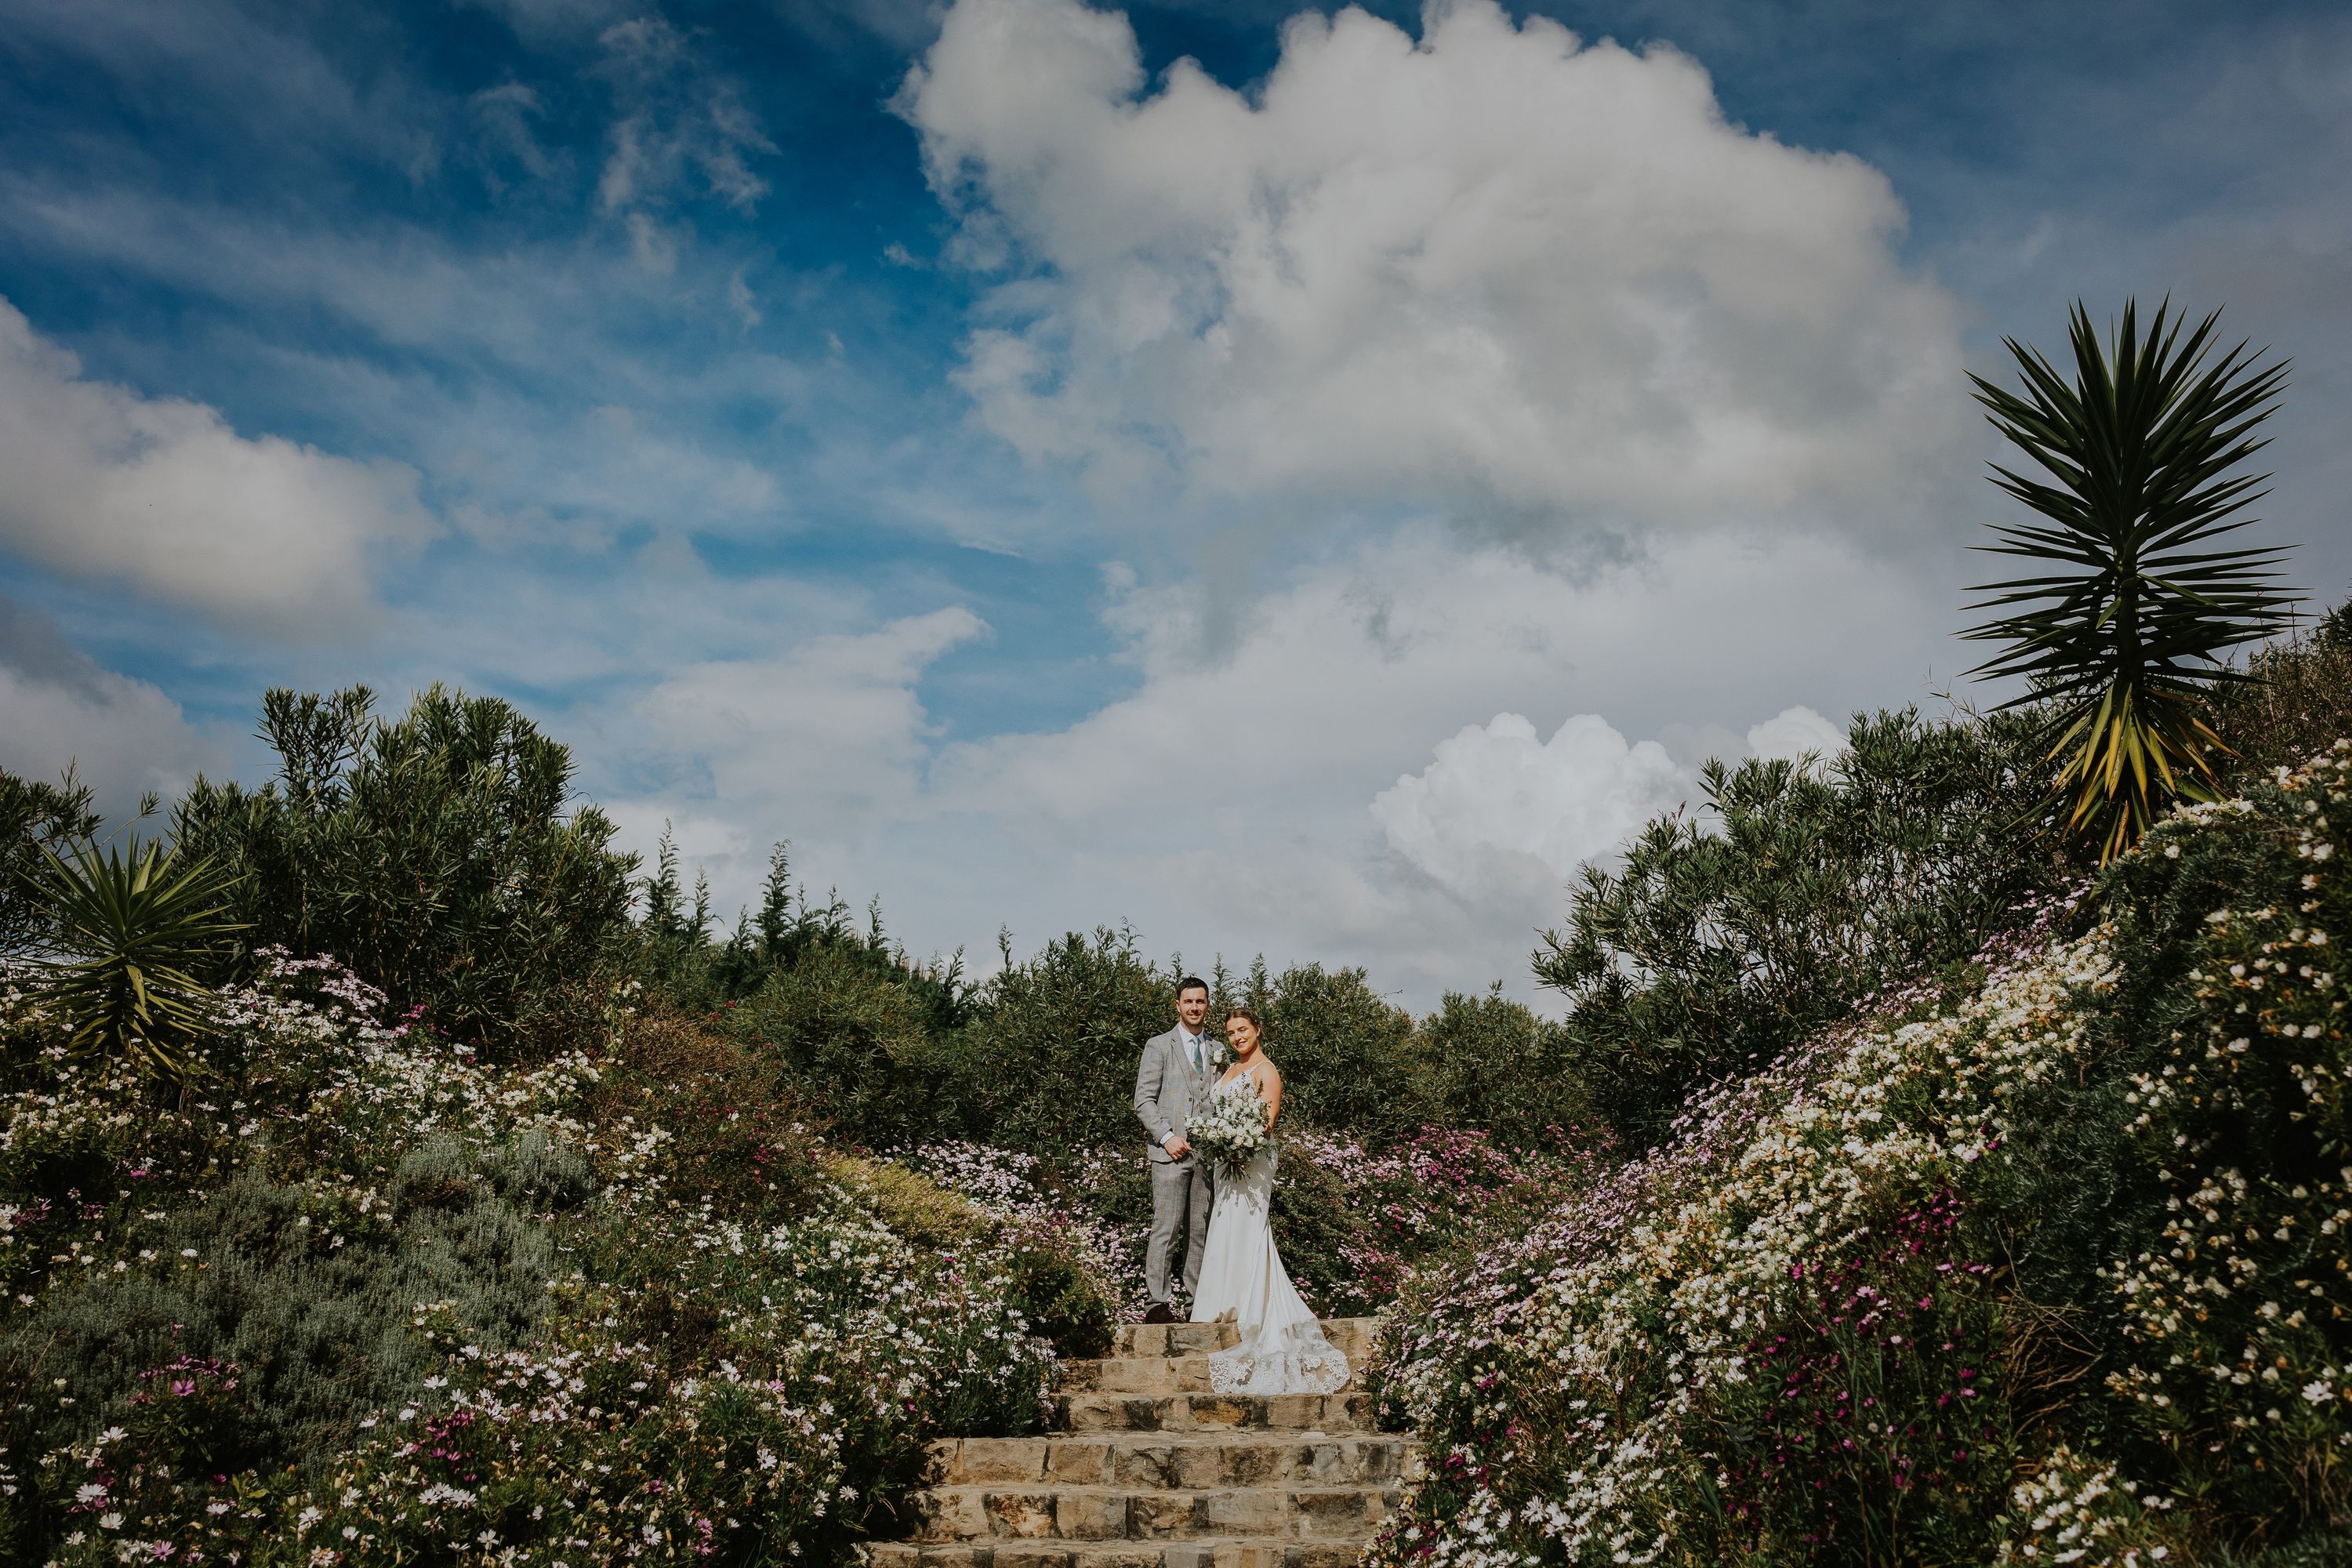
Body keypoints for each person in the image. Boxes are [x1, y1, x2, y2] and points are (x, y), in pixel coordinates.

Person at [1188, 1006, 1349, 1395]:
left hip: (1254, 1158)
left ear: (1257, 1029)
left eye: (1242, 1029)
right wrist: (1221, 1142)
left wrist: (1242, 1144)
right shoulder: (1227, 1072)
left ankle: (1251, 1304)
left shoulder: (1266, 1070)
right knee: (1224, 1224)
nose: (1237, 1037)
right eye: (1230, 1032)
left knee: (1249, 1225)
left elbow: (1268, 1119)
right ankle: (1220, 1302)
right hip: (1227, 1160)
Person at [1133, 977, 1220, 1324]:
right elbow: (1143, 1101)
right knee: (1166, 1228)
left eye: (1200, 1002)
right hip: (1169, 1153)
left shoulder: (1217, 1049)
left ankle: (1194, 1303)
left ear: (1207, 1006)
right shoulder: (1158, 1046)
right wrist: (1167, 1137)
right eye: (1189, 1002)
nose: (1195, 1008)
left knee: (1199, 1231)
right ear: (1178, 1005)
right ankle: (1157, 1303)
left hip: (1207, 1155)